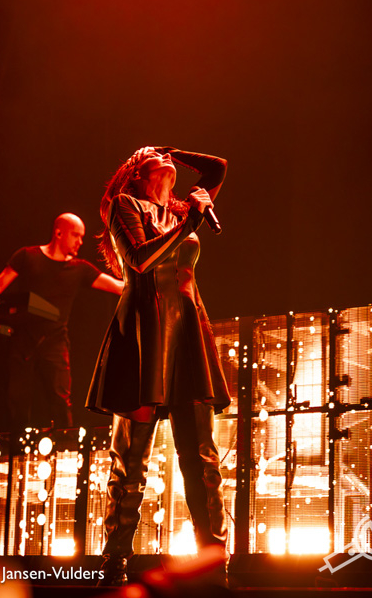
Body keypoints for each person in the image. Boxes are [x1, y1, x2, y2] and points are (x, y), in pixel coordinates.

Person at [86, 146, 230, 586]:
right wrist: (189, 224)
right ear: (134, 173)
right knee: (131, 460)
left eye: (161, 152)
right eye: (149, 154)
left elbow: (217, 168)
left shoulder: (185, 208)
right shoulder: (124, 205)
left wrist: (173, 153)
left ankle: (214, 562)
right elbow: (141, 259)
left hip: (186, 329)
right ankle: (115, 563)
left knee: (202, 457)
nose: (159, 155)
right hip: (144, 330)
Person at [0, 213, 123, 430]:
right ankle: (16, 447)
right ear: (58, 233)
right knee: (17, 402)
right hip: (22, 341)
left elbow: (117, 287)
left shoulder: (80, 269)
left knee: (60, 402)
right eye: (76, 235)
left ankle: (65, 445)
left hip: (55, 343)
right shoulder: (27, 256)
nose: (80, 242)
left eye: (81, 237)